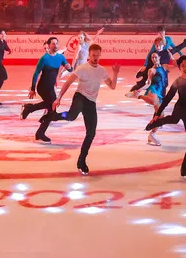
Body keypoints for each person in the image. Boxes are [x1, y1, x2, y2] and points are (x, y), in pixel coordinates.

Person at [44, 43, 120, 175]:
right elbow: (68, 82)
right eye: (93, 55)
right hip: (80, 97)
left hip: (91, 102)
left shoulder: (102, 70)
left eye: (97, 55)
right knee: (71, 116)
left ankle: (81, 160)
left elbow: (112, 86)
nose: (95, 58)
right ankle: (53, 116)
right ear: (89, 55)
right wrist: (59, 98)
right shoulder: (82, 68)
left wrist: (115, 73)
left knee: (91, 133)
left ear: (100, 55)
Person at [24, 37, 72, 143]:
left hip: (51, 87)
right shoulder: (44, 58)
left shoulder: (60, 57)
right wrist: (32, 88)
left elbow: (69, 69)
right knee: (52, 108)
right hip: (42, 87)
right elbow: (36, 73)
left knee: (51, 110)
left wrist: (69, 68)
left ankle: (30, 110)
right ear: (49, 45)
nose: (55, 45)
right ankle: (39, 131)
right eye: (53, 43)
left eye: (56, 43)